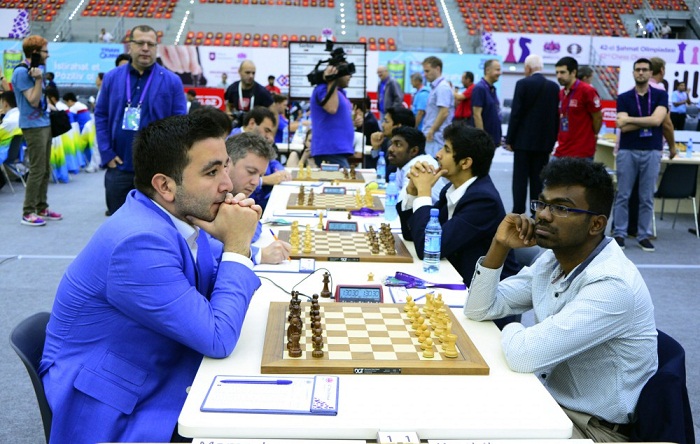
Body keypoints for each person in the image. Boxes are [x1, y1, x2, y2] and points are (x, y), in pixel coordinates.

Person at [40, 112, 263, 443]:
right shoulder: (138, 243)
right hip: (114, 404)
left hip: (156, 365)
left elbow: (217, 273)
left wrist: (230, 240)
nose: (228, 184)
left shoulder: (177, 215)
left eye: (226, 167)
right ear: (165, 186)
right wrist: (236, 245)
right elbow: (217, 337)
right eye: (212, 172)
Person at [464, 157, 657, 442]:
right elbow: (479, 308)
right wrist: (499, 245)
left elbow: (523, 355)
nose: (543, 215)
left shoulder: (612, 285)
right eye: (542, 203)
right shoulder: (553, 261)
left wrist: (514, 329)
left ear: (596, 224)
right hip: (548, 402)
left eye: (561, 208)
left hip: (593, 429)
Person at [397, 124, 520, 289]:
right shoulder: (451, 189)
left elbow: (429, 249)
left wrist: (424, 192)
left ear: (465, 162)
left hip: (484, 297)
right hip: (453, 278)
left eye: (446, 150)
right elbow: (412, 235)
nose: (438, 155)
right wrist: (412, 191)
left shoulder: (483, 201)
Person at [95, 25, 187, 217]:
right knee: (117, 220)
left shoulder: (172, 81)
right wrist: (106, 153)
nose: (145, 48)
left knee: (156, 223)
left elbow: (180, 125)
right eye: (140, 43)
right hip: (119, 164)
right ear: (130, 46)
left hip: (157, 171)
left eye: (151, 44)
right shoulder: (112, 78)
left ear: (156, 48)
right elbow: (101, 115)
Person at [613, 58, 670, 252]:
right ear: (633, 72)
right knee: (623, 194)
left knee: (647, 197)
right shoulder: (624, 97)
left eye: (645, 69)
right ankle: (619, 233)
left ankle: (643, 235)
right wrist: (647, 120)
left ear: (650, 73)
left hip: (652, 150)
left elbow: (657, 121)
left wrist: (630, 120)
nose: (641, 73)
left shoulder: (661, 95)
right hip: (627, 150)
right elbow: (621, 125)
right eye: (637, 69)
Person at [11, 34, 62, 226]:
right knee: (37, 170)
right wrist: (39, 80)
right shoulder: (21, 73)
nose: (47, 55)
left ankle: (42, 206)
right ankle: (28, 211)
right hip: (32, 126)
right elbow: (32, 100)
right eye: (45, 51)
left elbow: (40, 100)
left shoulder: (36, 70)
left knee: (45, 169)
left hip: (44, 123)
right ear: (35, 52)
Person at [225, 131, 292, 264]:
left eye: (260, 175)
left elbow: (255, 228)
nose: (256, 182)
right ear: (227, 163)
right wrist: (257, 254)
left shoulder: (238, 198)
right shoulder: (211, 196)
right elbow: (207, 249)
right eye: (251, 172)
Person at [505, 54, 559, 215]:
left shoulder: (522, 84)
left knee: (520, 179)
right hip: (543, 144)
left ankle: (518, 211)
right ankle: (536, 211)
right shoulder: (554, 87)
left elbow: (516, 114)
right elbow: (555, 117)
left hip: (522, 142)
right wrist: (552, 141)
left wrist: (510, 139)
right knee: (539, 180)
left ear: (528, 68)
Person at [230, 106, 291, 210]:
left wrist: (280, 171)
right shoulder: (231, 142)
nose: (270, 137)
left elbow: (272, 161)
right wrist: (265, 180)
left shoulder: (257, 143)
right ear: (252, 123)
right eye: (266, 130)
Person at [551, 57, 602, 160]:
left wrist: (590, 135)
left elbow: (598, 117)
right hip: (562, 150)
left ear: (573, 72)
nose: (559, 76)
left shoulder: (587, 91)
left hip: (581, 153)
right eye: (557, 73)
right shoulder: (561, 93)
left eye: (562, 72)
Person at [309, 62, 354, 168]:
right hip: (329, 150)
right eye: (346, 72)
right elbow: (332, 108)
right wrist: (331, 80)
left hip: (337, 150)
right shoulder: (322, 89)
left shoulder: (339, 92)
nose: (350, 76)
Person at [387, 126, 447, 203]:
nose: (390, 149)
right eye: (391, 144)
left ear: (414, 151)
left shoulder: (420, 165)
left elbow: (400, 202)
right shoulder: (403, 164)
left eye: (398, 145)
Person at [421, 56, 454, 157]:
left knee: (433, 166)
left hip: (436, 137)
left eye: (427, 71)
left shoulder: (442, 88)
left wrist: (432, 130)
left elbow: (444, 112)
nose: (425, 75)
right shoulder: (436, 87)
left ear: (438, 69)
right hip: (433, 135)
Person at [369, 106, 415, 177]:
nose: (382, 125)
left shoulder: (406, 149)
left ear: (398, 126)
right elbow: (375, 171)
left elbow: (387, 175)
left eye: (386, 122)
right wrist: (376, 148)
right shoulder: (386, 141)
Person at [225, 60, 273, 125]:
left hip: (255, 128)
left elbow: (274, 112)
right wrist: (228, 114)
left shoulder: (262, 92)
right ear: (239, 72)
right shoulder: (232, 88)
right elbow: (228, 104)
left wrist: (272, 133)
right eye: (247, 73)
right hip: (237, 127)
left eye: (253, 73)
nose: (251, 76)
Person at [472, 59, 502, 147]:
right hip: (484, 141)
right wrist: (482, 139)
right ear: (488, 70)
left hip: (492, 139)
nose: (499, 73)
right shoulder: (480, 88)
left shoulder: (492, 89)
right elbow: (477, 115)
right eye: (497, 70)